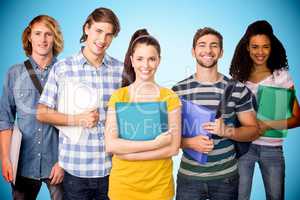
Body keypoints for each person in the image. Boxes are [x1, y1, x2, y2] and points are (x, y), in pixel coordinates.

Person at [36, 7, 123, 200]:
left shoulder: (120, 70)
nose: (102, 40)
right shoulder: (63, 68)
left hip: (112, 170)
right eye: (98, 31)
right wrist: (78, 119)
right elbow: (42, 113)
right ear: (86, 29)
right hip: (75, 172)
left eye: (109, 35)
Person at [172, 27, 260, 200]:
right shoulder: (178, 91)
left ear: (220, 52)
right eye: (202, 45)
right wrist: (190, 143)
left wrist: (227, 131)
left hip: (226, 179)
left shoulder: (237, 89)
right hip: (189, 179)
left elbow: (253, 130)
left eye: (214, 45)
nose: (208, 50)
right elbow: (167, 137)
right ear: (193, 51)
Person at [104, 28, 181, 200]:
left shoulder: (169, 97)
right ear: (131, 60)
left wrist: (128, 154)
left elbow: (174, 148)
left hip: (159, 188)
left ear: (159, 61)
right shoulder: (119, 96)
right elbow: (111, 145)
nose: (145, 65)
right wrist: (156, 143)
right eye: (140, 59)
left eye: (151, 59)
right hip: (123, 187)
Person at [230, 20, 300, 200]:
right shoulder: (239, 78)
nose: (260, 52)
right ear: (247, 47)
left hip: (272, 150)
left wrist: (267, 124)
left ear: (272, 47)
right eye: (255, 47)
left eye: (265, 47)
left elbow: (297, 118)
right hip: (244, 148)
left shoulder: (281, 76)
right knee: (240, 196)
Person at [0, 15, 64, 200]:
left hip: (58, 164)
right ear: (29, 36)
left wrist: (64, 162)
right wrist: (5, 158)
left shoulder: (66, 72)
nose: (43, 40)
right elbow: (5, 120)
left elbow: (74, 121)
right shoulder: (14, 73)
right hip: (22, 164)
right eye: (37, 33)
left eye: (48, 34)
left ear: (55, 38)